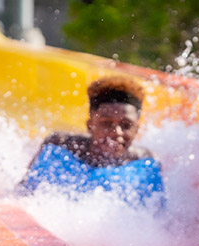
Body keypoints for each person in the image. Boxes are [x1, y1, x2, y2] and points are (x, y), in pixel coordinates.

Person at [18, 75, 164, 201]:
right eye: (106, 123)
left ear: (137, 129)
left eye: (126, 125)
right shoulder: (60, 146)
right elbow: (22, 192)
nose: (116, 132)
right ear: (90, 125)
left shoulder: (145, 163)